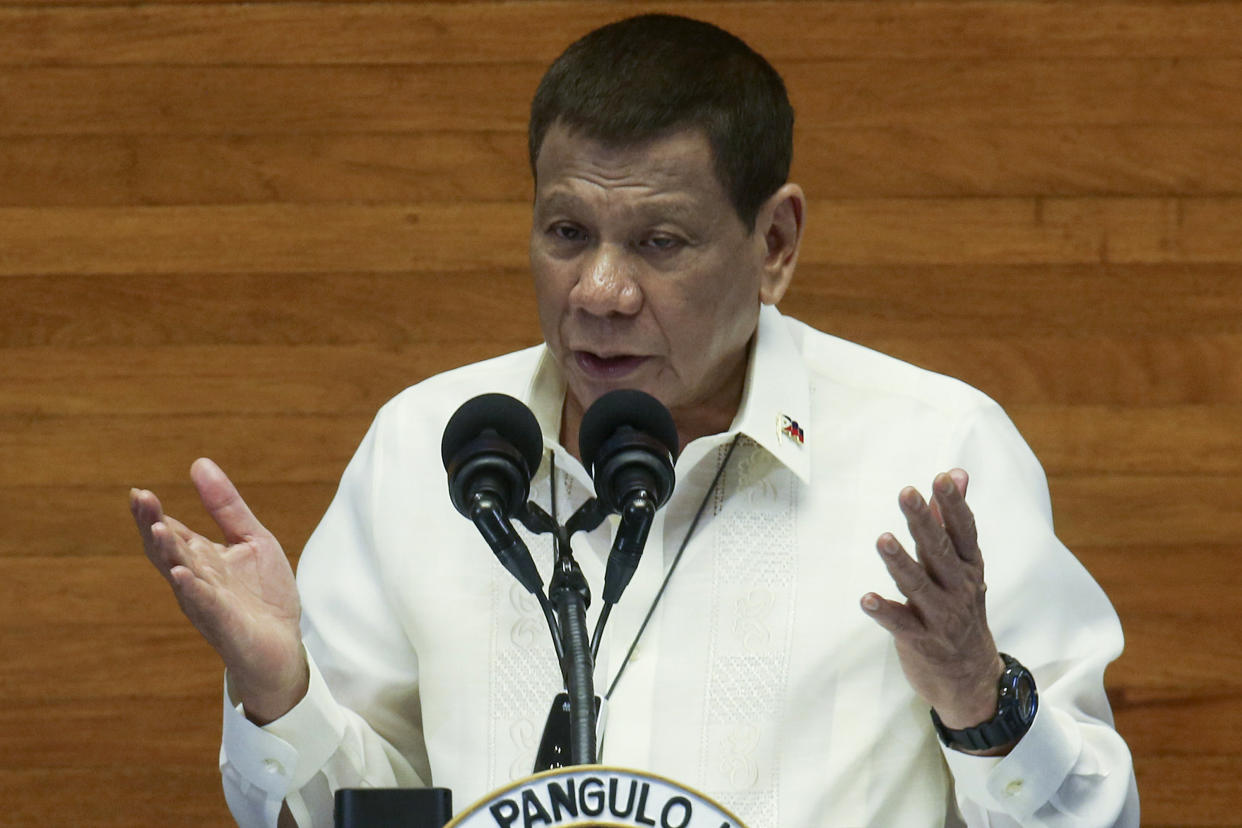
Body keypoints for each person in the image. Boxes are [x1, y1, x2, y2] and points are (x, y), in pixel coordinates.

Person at [130, 14, 1139, 827]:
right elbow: (356, 813)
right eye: (568, 233)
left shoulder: (931, 453)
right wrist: (284, 694)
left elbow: (1097, 818)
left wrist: (981, 696)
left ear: (775, 241)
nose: (600, 291)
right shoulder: (428, 450)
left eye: (661, 241)